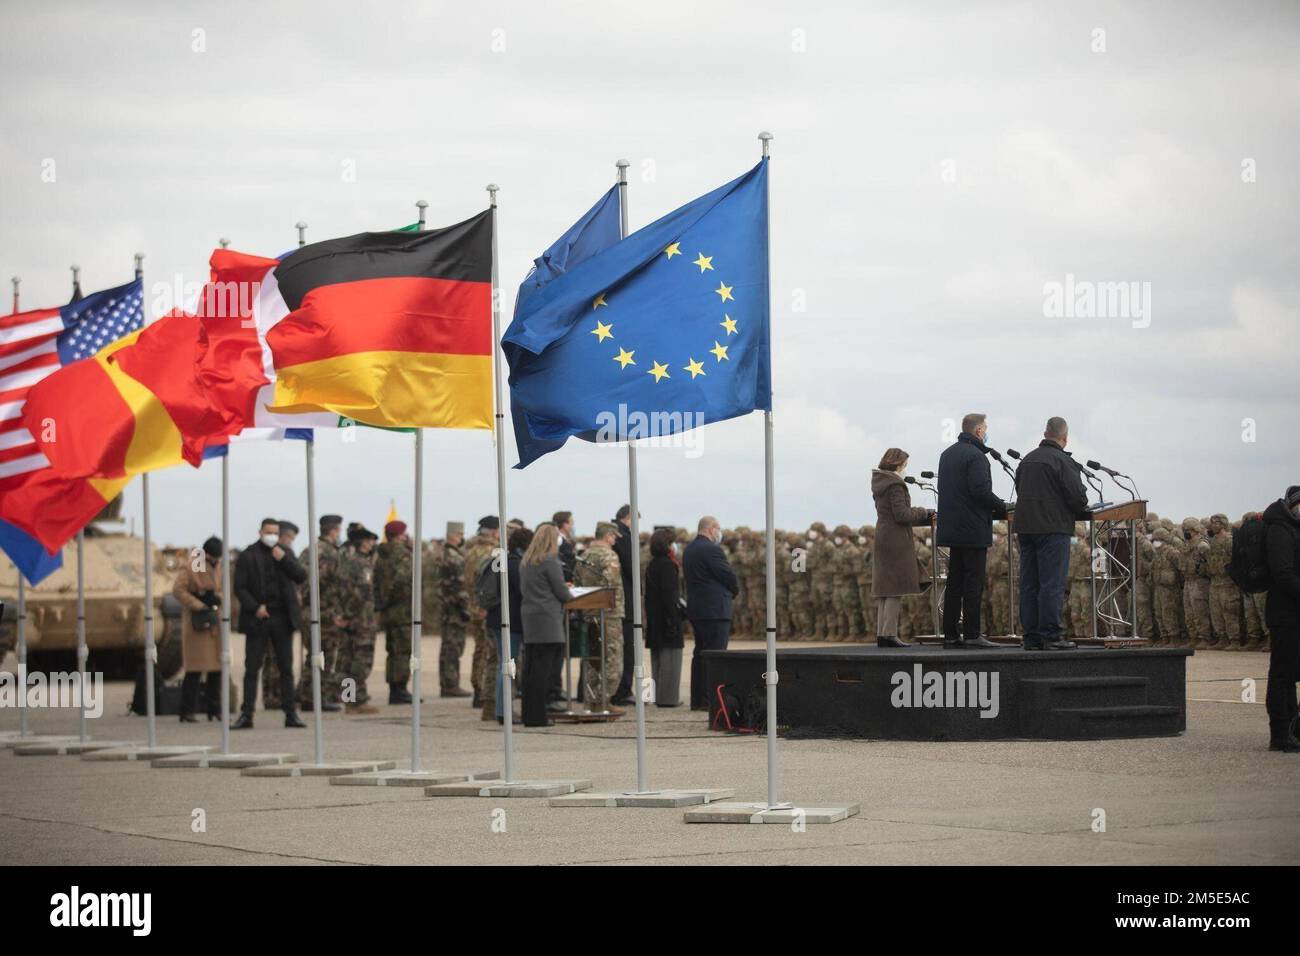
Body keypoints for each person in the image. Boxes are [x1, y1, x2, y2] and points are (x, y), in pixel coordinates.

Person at [1012, 417, 1091, 650]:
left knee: (1029, 583)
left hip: (1026, 528)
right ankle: (1051, 635)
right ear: (1064, 438)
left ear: (1045, 433)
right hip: (1052, 529)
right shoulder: (1062, 461)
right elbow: (1078, 497)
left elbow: (1019, 488)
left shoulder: (1027, 460)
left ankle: (1032, 637)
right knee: (1051, 583)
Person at [936, 413, 1008, 648]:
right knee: (973, 583)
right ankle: (972, 633)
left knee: (955, 582)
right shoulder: (977, 457)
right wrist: (1003, 506)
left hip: (953, 530)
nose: (986, 433)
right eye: (985, 429)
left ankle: (950, 634)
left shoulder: (946, 455)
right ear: (978, 432)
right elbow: (980, 492)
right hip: (973, 530)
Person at [232, 518, 307, 729]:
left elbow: (300, 576)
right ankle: (247, 714)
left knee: (286, 669)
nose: (272, 536)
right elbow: (240, 587)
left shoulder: (284, 553)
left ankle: (290, 714)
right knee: (252, 668)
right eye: (268, 532)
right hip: (258, 619)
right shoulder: (248, 555)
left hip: (282, 619)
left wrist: (284, 559)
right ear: (260, 532)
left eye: (275, 532)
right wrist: (255, 607)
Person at [870, 449, 935, 648]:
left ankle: (883, 633)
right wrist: (924, 511)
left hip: (883, 534)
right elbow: (902, 514)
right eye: (905, 465)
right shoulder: (896, 484)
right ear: (898, 464)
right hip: (896, 538)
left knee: (885, 588)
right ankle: (889, 634)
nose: (906, 469)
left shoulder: (880, 482)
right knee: (895, 587)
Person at [520, 524, 574, 727]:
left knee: (531, 669)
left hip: (531, 618)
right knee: (544, 671)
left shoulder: (527, 560)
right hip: (548, 620)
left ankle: (529, 714)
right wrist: (568, 592)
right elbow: (561, 593)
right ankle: (538, 717)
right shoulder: (550, 561)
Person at [683, 515, 739, 709]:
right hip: (715, 610)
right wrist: (735, 590)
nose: (719, 533)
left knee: (699, 655)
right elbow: (728, 576)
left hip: (698, 609)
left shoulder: (689, 549)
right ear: (711, 529)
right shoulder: (712, 550)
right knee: (715, 656)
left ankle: (698, 700)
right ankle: (711, 701)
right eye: (718, 529)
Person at [574, 521, 625, 715]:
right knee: (613, 657)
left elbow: (577, 582)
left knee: (592, 657)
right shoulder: (609, 556)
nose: (614, 541)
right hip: (609, 613)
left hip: (588, 612)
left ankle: (591, 701)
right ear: (607, 536)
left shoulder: (583, 555)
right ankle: (604, 699)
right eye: (613, 537)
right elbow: (610, 582)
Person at [1264, 486, 1300, 752]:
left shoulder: (1292, 528)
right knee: (1282, 674)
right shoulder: (1280, 529)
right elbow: (1283, 574)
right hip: (1285, 614)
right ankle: (1280, 733)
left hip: (1294, 611)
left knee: (1290, 674)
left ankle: (1293, 728)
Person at [174, 536, 223, 722]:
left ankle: (214, 709)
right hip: (198, 623)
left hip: (215, 621)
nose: (214, 561)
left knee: (216, 669)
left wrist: (218, 598)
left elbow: (224, 588)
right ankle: (187, 711)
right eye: (212, 557)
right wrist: (199, 603)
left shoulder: (219, 565)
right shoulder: (194, 565)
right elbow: (179, 590)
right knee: (194, 670)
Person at [337, 523, 380, 714]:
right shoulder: (357, 563)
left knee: (351, 659)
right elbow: (351, 593)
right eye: (370, 540)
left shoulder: (359, 561)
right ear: (363, 542)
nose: (372, 544)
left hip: (361, 618)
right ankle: (354, 700)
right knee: (359, 661)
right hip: (359, 619)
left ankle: (352, 700)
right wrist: (348, 615)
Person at [463, 516, 501, 719]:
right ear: (494, 532)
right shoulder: (492, 551)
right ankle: (484, 692)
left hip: (473, 605)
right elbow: (491, 583)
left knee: (479, 649)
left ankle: (477, 688)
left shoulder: (470, 550)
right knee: (488, 652)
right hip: (486, 607)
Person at [374, 519, 415, 704]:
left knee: (392, 649)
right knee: (403, 650)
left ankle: (394, 687)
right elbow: (402, 582)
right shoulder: (403, 555)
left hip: (387, 609)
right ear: (400, 535)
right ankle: (400, 688)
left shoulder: (381, 555)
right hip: (402, 610)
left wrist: (382, 601)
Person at [310, 514, 348, 708]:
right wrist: (335, 613)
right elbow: (327, 584)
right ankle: (319, 697)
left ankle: (311, 696)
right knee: (326, 654)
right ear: (333, 531)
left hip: (316, 611)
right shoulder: (328, 552)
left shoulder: (311, 549)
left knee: (316, 654)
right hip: (326, 612)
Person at [644, 527, 685, 706]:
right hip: (667, 619)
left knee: (658, 661)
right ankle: (668, 699)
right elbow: (669, 595)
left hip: (655, 618)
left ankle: (660, 696)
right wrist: (675, 619)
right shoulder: (668, 565)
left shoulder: (653, 564)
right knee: (671, 660)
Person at [494, 525, 530, 723]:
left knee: (505, 664)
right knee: (507, 665)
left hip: (499, 618)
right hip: (510, 621)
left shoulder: (503, 560)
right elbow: (522, 590)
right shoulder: (515, 564)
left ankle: (501, 709)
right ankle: (503, 711)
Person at [437, 522, 471, 697]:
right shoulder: (453, 557)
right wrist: (466, 609)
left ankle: (447, 683)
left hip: (446, 608)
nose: (461, 538)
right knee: (453, 648)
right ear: (451, 535)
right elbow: (459, 586)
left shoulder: (444, 554)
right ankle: (450, 685)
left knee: (448, 647)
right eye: (459, 534)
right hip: (454, 610)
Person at [611, 504, 636, 706]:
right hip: (625, 600)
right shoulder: (623, 536)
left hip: (614, 600)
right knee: (627, 648)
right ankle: (623, 690)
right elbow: (631, 568)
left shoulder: (613, 534)